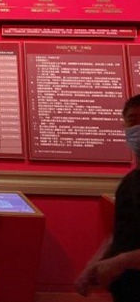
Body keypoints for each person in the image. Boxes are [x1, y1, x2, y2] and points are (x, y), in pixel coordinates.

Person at [76, 94, 140, 301]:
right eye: (132, 120)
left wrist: (119, 262)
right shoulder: (128, 183)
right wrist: (94, 264)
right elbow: (120, 233)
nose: (137, 127)